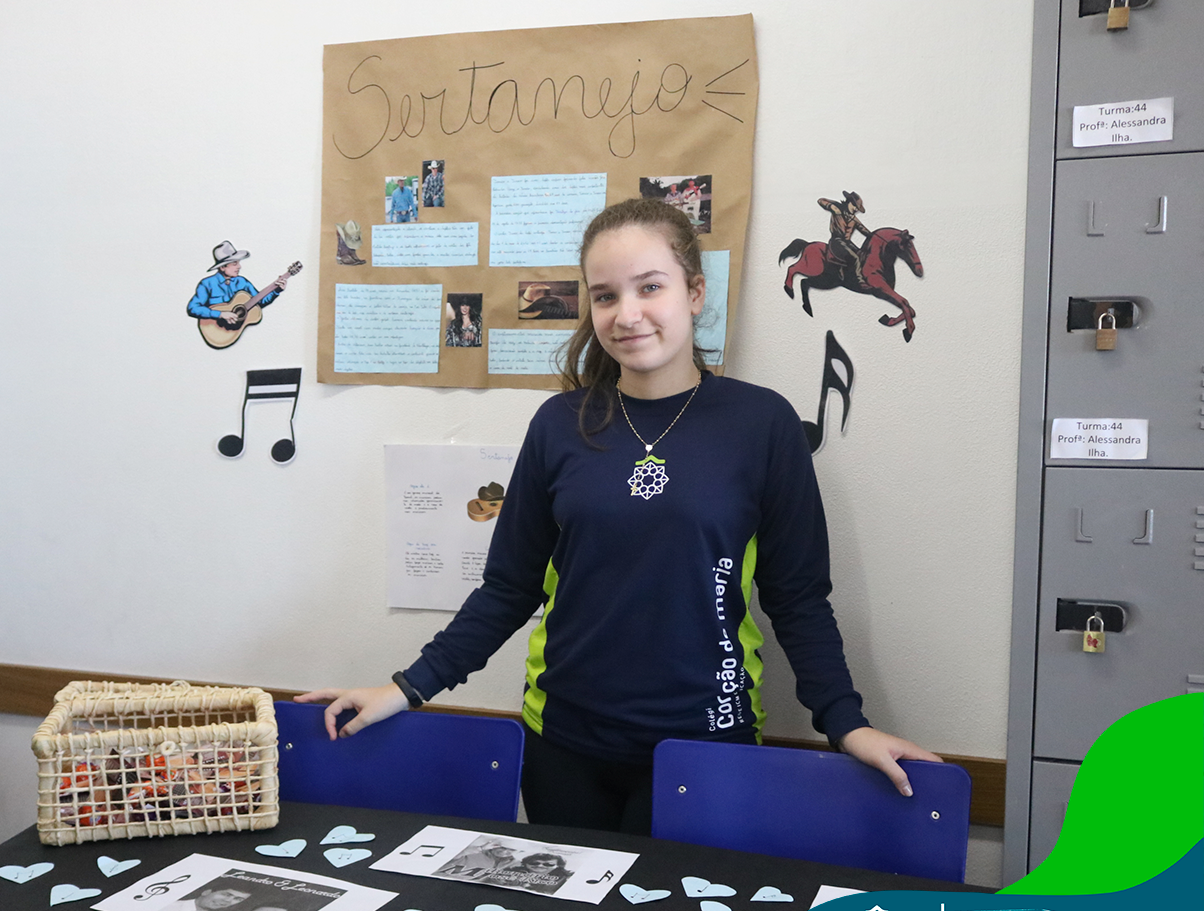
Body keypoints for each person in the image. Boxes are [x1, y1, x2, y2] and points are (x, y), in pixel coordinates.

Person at [297, 198, 940, 834]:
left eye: (650, 287)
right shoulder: (560, 424)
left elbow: (798, 599)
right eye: (605, 296)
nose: (626, 314)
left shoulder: (762, 424)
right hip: (563, 743)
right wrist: (406, 688)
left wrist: (845, 723)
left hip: (706, 743)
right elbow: (509, 588)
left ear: (694, 292)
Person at [187, 242, 286, 326]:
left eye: (238, 263)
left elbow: (259, 301)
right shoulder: (207, 284)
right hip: (214, 330)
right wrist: (220, 314)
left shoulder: (242, 282)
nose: (239, 267)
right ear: (222, 267)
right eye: (234, 264)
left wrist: (276, 290)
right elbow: (193, 308)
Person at [818, 190, 870, 288]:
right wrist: (831, 206)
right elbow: (821, 200)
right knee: (855, 258)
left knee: (861, 254)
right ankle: (859, 280)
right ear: (850, 202)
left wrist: (873, 235)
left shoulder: (853, 218)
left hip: (847, 242)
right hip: (836, 241)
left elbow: (863, 229)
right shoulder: (837, 207)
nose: (856, 209)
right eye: (855, 207)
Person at [146, 885, 251, 911]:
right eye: (226, 894)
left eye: (237, 899)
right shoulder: (166, 906)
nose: (228, 901)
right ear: (206, 892)